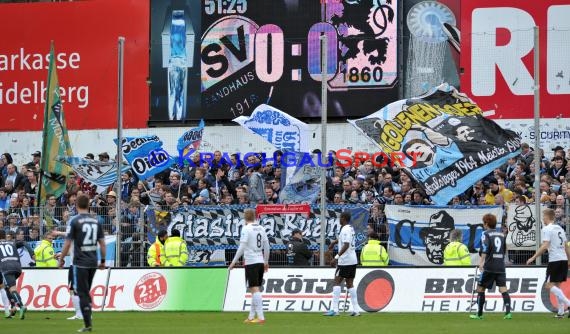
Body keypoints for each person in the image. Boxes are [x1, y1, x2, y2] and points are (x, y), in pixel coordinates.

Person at [59, 194, 106, 333]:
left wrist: (61, 258)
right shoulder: (96, 221)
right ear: (88, 205)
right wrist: (102, 261)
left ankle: (87, 324)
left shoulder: (75, 221)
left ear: (77, 205)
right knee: (86, 291)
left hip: (79, 262)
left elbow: (67, 243)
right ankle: (87, 317)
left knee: (82, 292)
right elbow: (102, 244)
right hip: (93, 261)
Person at [526, 208, 570, 318]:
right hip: (563, 259)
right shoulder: (559, 228)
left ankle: (569, 304)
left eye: (543, 216)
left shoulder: (547, 229)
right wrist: (569, 259)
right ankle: (560, 312)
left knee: (548, 285)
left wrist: (533, 257)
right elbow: (566, 246)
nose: (542, 218)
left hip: (554, 260)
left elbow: (545, 246)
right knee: (557, 286)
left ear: (547, 217)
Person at [228, 208, 270, 324]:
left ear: (245, 218)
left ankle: (261, 317)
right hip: (260, 261)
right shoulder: (261, 228)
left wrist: (233, 262)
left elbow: (242, 247)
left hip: (251, 261)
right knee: (254, 288)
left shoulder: (246, 229)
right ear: (255, 217)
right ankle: (251, 317)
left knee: (254, 288)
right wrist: (266, 261)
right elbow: (267, 247)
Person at [470, 213, 512, 320]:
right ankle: (508, 313)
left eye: (484, 223)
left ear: (486, 223)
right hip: (500, 266)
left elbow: (485, 247)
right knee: (503, 289)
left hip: (489, 266)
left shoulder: (486, 233)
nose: (483, 225)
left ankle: (479, 314)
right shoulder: (501, 234)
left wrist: (481, 262)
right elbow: (504, 249)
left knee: (480, 288)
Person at [324, 211, 360, 316]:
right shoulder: (350, 228)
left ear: (343, 218)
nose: (339, 219)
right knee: (350, 284)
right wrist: (334, 242)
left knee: (336, 282)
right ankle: (356, 310)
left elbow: (346, 245)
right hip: (353, 260)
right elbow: (344, 240)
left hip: (345, 261)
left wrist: (336, 257)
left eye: (340, 218)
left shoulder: (345, 229)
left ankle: (335, 310)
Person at [0, 229, 26, 319]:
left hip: (6, 267)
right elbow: (23, 243)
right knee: (6, 286)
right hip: (17, 267)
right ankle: (13, 308)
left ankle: (21, 305)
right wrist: (32, 254)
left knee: (12, 289)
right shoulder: (11, 243)